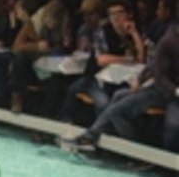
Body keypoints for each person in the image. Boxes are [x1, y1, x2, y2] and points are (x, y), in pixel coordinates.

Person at [58, 23, 179, 154]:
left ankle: (92, 137)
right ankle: (132, 149)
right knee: (118, 99)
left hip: (167, 92)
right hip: (164, 90)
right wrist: (141, 81)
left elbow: (152, 66)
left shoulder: (168, 40)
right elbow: (156, 70)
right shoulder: (169, 41)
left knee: (173, 125)